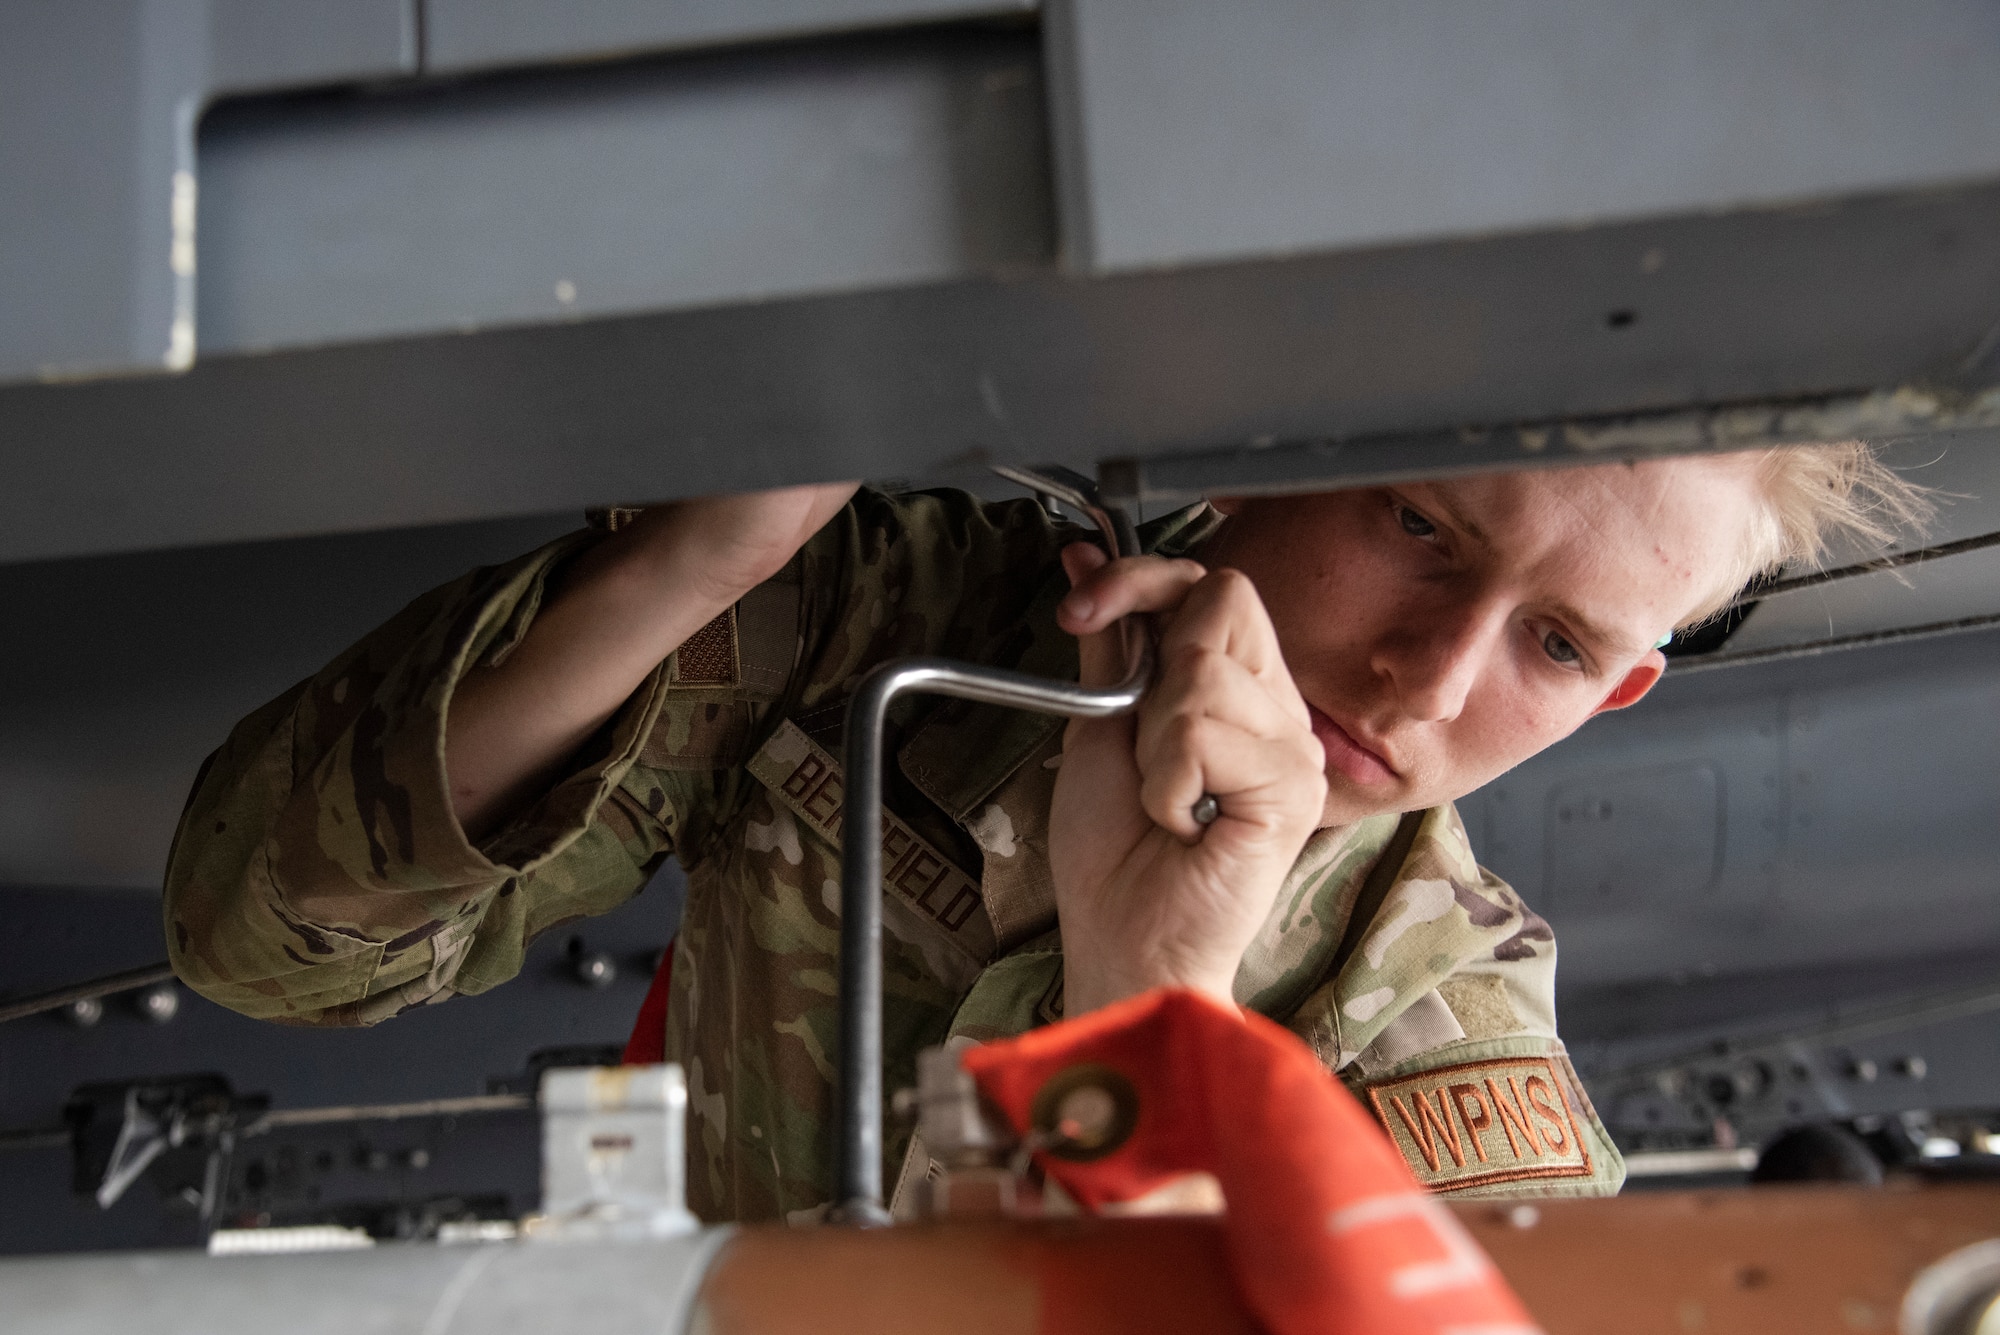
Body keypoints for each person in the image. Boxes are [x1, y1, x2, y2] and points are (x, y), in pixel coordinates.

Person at [163, 445, 1924, 1221]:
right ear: (1289, 454)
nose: (1423, 672)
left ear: (1621, 692)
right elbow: (262, 946)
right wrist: (687, 573)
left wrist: (1157, 988)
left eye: (1557, 647)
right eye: (1418, 525)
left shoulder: (1437, 1061)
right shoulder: (902, 627)